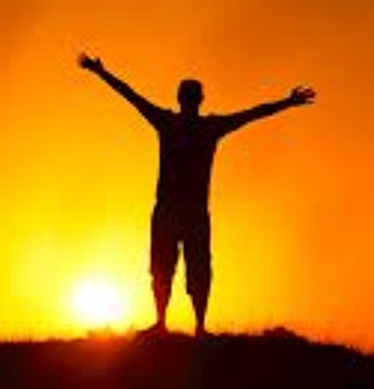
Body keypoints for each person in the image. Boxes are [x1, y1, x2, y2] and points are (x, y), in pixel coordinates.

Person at [78, 53, 315, 337]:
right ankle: (190, 326)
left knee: (174, 267)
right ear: (200, 99)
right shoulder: (205, 128)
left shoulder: (173, 123)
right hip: (184, 211)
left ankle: (172, 324)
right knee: (183, 267)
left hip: (179, 211)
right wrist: (287, 102)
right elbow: (252, 114)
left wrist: (101, 72)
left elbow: (131, 96)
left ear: (181, 98)